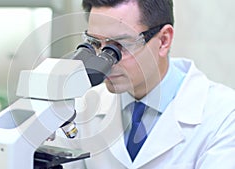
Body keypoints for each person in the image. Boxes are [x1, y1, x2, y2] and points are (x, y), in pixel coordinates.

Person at [46, 0, 235, 168]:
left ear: (163, 40)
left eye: (119, 46)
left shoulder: (224, 116)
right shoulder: (84, 107)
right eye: (95, 43)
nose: (104, 62)